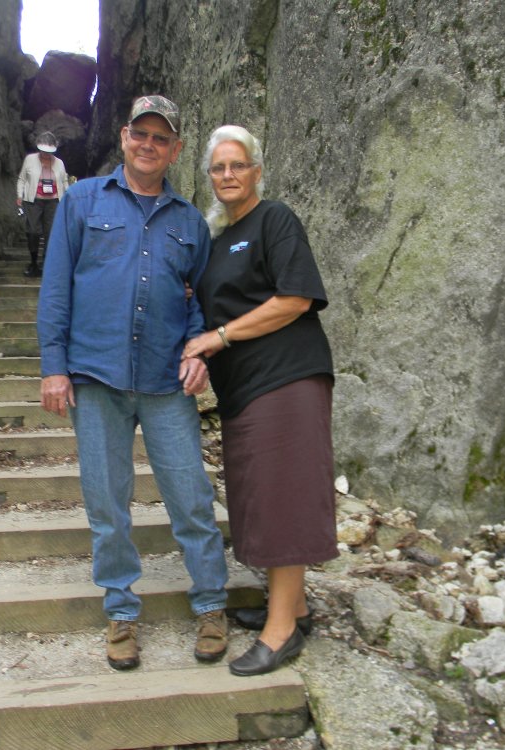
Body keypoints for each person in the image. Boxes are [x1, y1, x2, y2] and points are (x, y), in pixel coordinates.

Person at [37, 95, 230, 671]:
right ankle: (121, 612)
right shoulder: (80, 201)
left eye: (161, 138)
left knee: (191, 497)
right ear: (124, 137)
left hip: (166, 380)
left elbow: (201, 302)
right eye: (140, 134)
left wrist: (200, 352)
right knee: (107, 500)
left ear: (175, 149)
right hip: (95, 376)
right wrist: (53, 365)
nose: (149, 144)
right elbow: (57, 286)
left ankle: (211, 604)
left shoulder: (190, 222)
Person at [182, 124, 338, 677]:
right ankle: (291, 605)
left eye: (237, 165)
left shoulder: (275, 220)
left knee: (283, 496)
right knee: (261, 495)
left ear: (256, 170)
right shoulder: (217, 238)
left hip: (288, 377)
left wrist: (218, 339)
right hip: (244, 387)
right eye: (218, 168)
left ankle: (282, 632)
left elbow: (295, 298)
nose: (227, 175)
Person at [16, 131, 68, 277]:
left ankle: (46, 264)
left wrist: (65, 199)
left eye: (48, 152)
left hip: (53, 202)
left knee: (50, 233)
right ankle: (33, 263)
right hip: (33, 201)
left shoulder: (59, 163)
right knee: (33, 231)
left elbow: (64, 181)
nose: (45, 154)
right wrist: (20, 195)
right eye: (43, 151)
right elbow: (22, 179)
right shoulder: (30, 160)